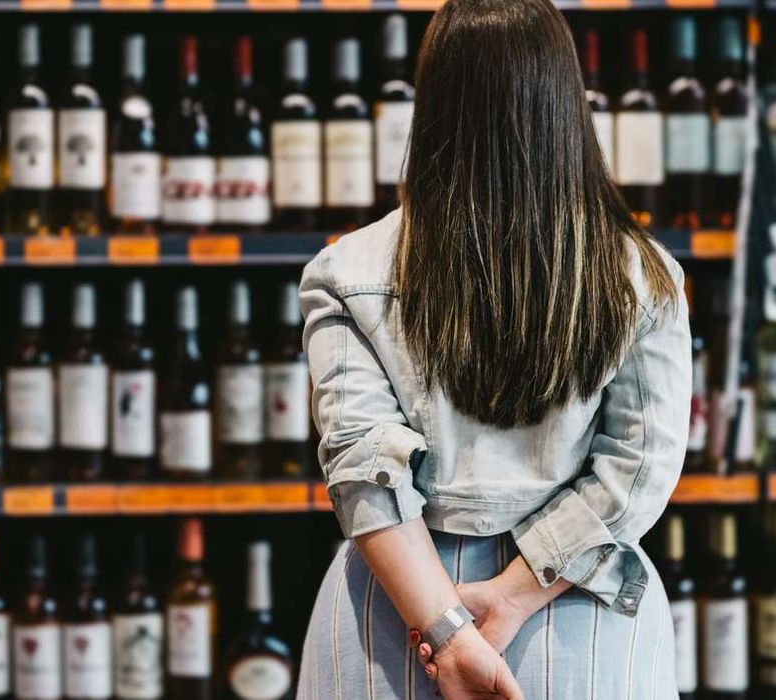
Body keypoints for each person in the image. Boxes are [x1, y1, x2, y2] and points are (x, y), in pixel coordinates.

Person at [296, 0, 690, 697]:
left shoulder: (346, 269)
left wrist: (444, 629)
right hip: (578, 605)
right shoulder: (642, 273)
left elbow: (361, 470)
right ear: (563, 102)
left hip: (392, 612)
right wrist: (509, 596)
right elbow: (638, 471)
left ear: (432, 101)